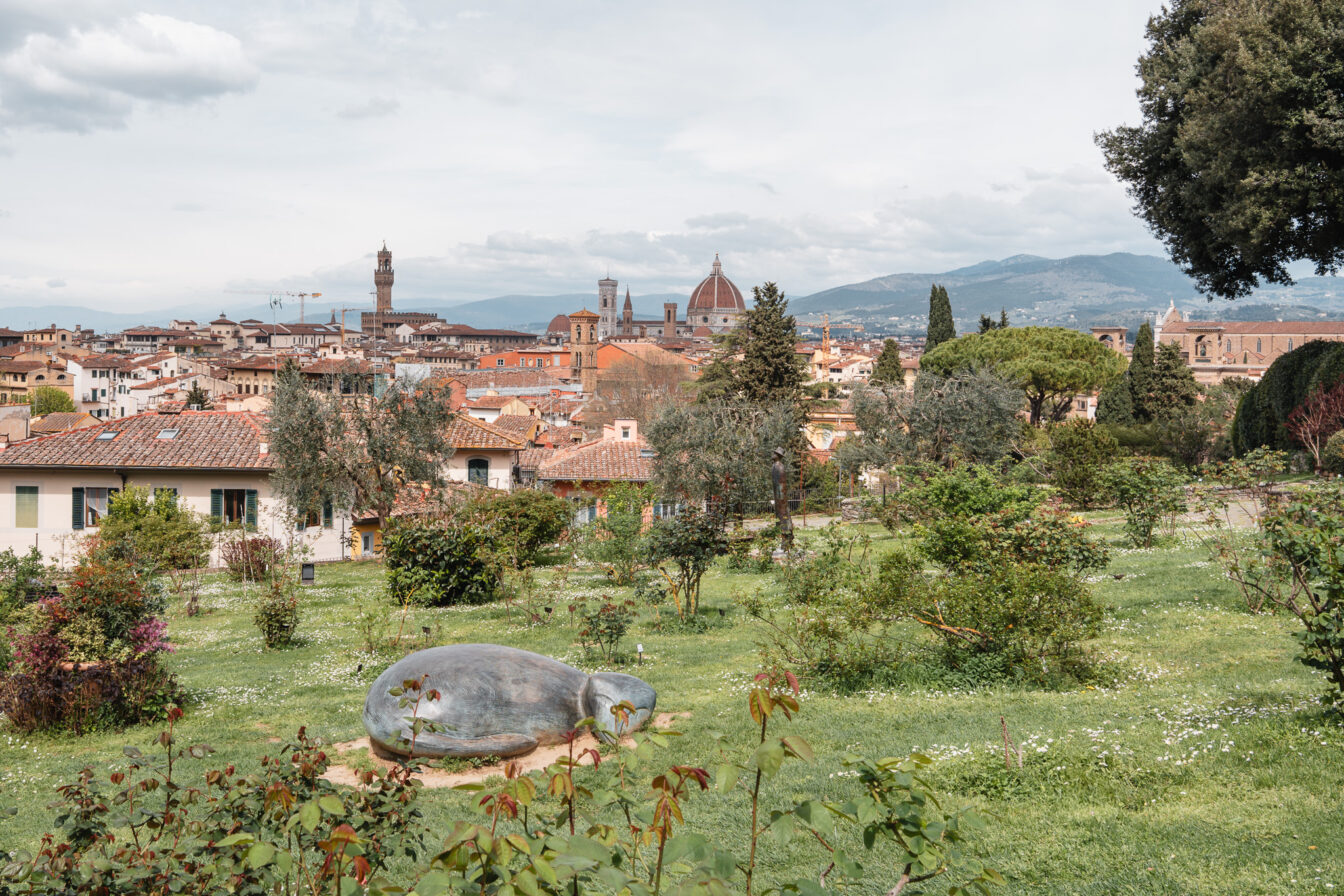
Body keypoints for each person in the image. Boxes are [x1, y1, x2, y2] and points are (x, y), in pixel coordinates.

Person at [770, 446, 794, 552]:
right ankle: (785, 541)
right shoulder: (775, 466)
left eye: (774, 453)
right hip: (778, 497)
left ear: (778, 456)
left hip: (781, 498)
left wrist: (780, 500)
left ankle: (787, 541)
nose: (772, 454)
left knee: (784, 518)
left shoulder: (780, 466)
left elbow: (782, 484)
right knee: (780, 519)